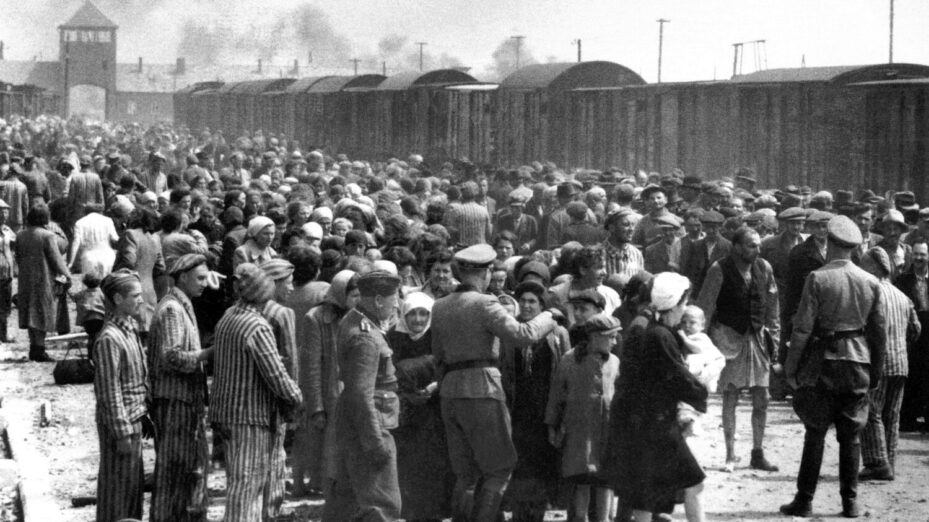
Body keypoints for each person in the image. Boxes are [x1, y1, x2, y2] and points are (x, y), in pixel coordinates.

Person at [431, 244, 559, 520]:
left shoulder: (439, 307)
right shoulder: (486, 303)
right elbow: (523, 334)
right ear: (487, 272)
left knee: (466, 474)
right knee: (499, 467)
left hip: (451, 392)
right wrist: (549, 316)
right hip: (483, 389)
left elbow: (439, 357)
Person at [781, 215, 886, 519]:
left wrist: (791, 368)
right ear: (853, 248)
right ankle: (849, 502)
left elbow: (801, 330)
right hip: (858, 362)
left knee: (815, 432)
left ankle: (804, 499)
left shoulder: (817, 278)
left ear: (831, 244)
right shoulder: (870, 282)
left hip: (823, 362)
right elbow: (879, 332)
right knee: (850, 435)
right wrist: (875, 371)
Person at [607, 272, 707, 522]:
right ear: (672, 304)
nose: (684, 311)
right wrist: (700, 389)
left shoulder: (644, 328)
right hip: (657, 428)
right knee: (693, 484)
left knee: (644, 499)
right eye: (683, 304)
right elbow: (678, 376)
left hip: (638, 425)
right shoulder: (660, 335)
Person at [210, 263, 302, 522]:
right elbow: (276, 375)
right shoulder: (256, 326)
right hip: (250, 417)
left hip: (226, 413)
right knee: (247, 488)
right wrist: (296, 398)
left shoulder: (228, 317)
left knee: (238, 483)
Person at [697, 227, 780, 472]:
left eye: (758, 246)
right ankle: (730, 455)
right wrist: (704, 345)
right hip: (729, 340)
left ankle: (757, 452)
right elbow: (705, 307)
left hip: (756, 339)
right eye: (751, 246)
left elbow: (773, 306)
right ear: (736, 246)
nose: (757, 250)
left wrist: (773, 338)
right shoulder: (718, 270)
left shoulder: (764, 268)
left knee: (762, 397)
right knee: (730, 397)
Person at [323, 271, 403, 521]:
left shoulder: (355, 321)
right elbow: (361, 395)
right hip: (371, 426)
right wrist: (375, 443)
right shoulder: (366, 337)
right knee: (383, 504)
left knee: (348, 504)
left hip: (356, 424)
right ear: (378, 300)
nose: (397, 304)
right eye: (394, 298)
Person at [148, 254, 215, 522]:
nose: (205, 284)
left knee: (186, 470)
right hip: (174, 401)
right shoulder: (173, 310)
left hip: (184, 400)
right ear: (183, 277)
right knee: (174, 472)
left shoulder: (181, 305)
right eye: (200, 278)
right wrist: (207, 354)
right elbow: (172, 357)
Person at [500, 281, 570, 522]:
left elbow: (565, 374)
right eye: (523, 301)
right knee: (520, 465)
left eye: (532, 301)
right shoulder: (512, 332)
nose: (527, 305)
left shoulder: (558, 334)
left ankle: (537, 514)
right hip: (520, 410)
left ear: (542, 306)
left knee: (543, 466)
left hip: (545, 410)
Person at [546, 314, 621, 522]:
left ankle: (604, 519)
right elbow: (557, 394)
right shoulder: (570, 359)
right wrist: (552, 425)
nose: (615, 342)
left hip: (606, 429)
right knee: (582, 478)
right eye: (611, 337)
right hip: (579, 431)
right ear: (596, 337)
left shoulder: (614, 361)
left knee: (605, 480)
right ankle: (579, 518)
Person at [386, 292, 454, 522]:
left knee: (434, 461)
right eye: (412, 313)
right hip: (405, 410)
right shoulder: (393, 337)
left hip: (434, 407)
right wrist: (406, 393)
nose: (417, 319)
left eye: (423, 313)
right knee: (408, 463)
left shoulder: (439, 336)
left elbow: (449, 367)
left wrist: (435, 386)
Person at [93, 269, 153, 522]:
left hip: (134, 418)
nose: (140, 299)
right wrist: (122, 432)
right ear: (117, 298)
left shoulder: (129, 329)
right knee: (117, 491)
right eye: (135, 295)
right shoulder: (109, 338)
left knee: (131, 489)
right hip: (122, 425)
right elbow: (109, 391)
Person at [295, 270, 361, 497]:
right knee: (327, 449)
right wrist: (316, 407)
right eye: (353, 296)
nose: (358, 301)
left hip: (353, 393)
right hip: (329, 394)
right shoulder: (316, 318)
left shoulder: (361, 318)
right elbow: (310, 367)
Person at [858, 247, 919, 481]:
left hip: (878, 362)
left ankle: (876, 462)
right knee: (892, 415)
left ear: (874, 266)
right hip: (901, 362)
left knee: (871, 410)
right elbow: (916, 329)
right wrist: (901, 344)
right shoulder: (902, 296)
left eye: (864, 264)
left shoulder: (870, 292)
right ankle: (889, 461)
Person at [15, 203, 70, 361]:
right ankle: (39, 350)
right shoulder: (47, 236)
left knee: (29, 312)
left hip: (25, 279)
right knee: (42, 312)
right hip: (43, 278)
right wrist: (67, 275)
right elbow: (56, 260)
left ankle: (34, 347)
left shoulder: (20, 235)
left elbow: (18, 256)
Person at [113, 208, 165, 340]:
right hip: (149, 291)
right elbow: (161, 267)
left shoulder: (130, 234)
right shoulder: (155, 238)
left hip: (130, 291)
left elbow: (128, 261)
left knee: (128, 334)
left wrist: (115, 274)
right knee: (145, 334)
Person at [895, 240, 929, 431]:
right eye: (915, 254)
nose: (918, 258)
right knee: (913, 375)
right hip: (911, 335)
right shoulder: (902, 280)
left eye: (922, 254)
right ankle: (908, 418)